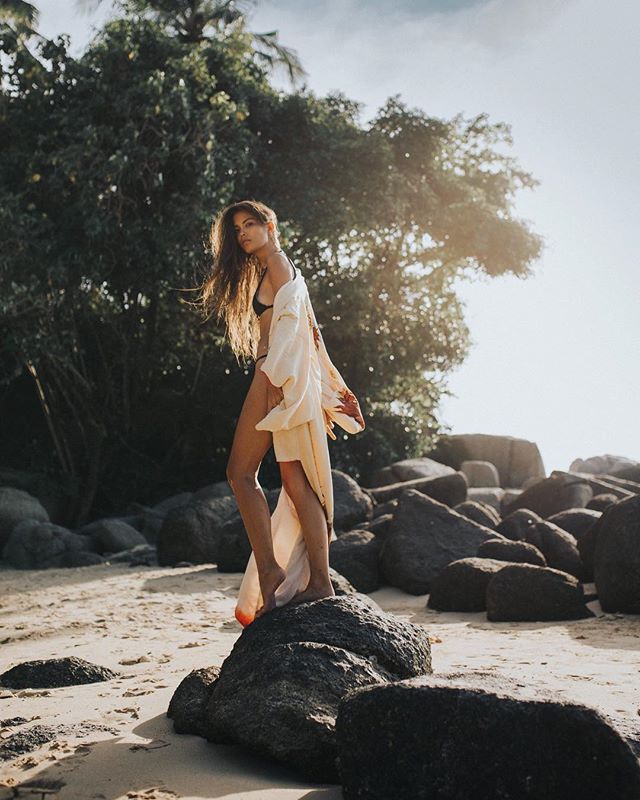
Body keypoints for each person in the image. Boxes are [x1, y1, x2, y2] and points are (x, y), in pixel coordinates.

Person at [196, 199, 365, 625]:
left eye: (250, 224)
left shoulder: (279, 266)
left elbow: (292, 329)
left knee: (241, 474)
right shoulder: (276, 266)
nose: (243, 234)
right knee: (293, 479)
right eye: (237, 230)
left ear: (270, 225)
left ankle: (277, 570)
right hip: (285, 379)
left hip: (274, 377)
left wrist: (277, 385)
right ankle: (317, 581)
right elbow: (309, 331)